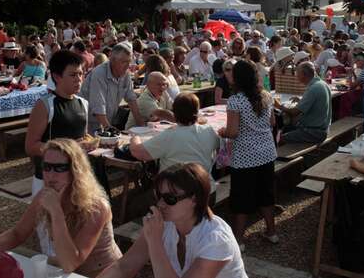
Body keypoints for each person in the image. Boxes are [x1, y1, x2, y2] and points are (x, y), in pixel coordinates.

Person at [0, 139, 122, 278]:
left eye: (60, 168)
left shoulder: (97, 207)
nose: (51, 175)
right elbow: (17, 234)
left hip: (104, 272)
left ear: (75, 170)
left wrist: (56, 211)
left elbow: (71, 263)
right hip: (68, 271)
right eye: (47, 167)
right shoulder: (44, 196)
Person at [97, 162, 247, 278]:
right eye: (159, 196)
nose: (160, 204)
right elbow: (123, 267)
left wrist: (155, 242)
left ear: (194, 198)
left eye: (170, 198)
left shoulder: (216, 239)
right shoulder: (166, 224)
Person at [218, 60, 277, 250]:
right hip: (267, 152)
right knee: (266, 194)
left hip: (245, 156)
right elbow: (272, 122)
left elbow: (233, 132)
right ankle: (272, 232)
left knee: (241, 198)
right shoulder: (266, 96)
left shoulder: (236, 100)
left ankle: (239, 240)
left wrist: (222, 131)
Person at [26, 50, 88, 195]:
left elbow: (83, 138)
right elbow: (31, 147)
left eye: (80, 74)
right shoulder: (45, 105)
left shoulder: (83, 103)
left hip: (77, 178)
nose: (78, 79)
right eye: (73, 75)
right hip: (49, 181)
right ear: (56, 77)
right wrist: (68, 148)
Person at [130, 93, 220, 185]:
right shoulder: (208, 130)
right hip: (205, 187)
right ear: (197, 112)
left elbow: (138, 153)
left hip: (175, 190)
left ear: (175, 112)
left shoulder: (169, 135)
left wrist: (135, 138)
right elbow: (218, 148)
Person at [80, 43, 143, 133]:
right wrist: (110, 130)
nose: (127, 66)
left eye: (129, 62)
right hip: (88, 123)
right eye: (124, 62)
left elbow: (131, 99)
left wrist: (141, 125)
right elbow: (98, 107)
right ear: (112, 60)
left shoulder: (125, 74)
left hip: (105, 121)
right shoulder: (99, 74)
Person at [276, 62, 332, 144]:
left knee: (279, 139)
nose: (296, 76)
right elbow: (314, 102)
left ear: (303, 75)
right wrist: (301, 100)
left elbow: (295, 112)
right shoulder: (322, 83)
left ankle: (281, 156)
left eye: (297, 73)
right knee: (287, 128)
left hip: (315, 132)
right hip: (323, 128)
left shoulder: (313, 88)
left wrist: (279, 106)